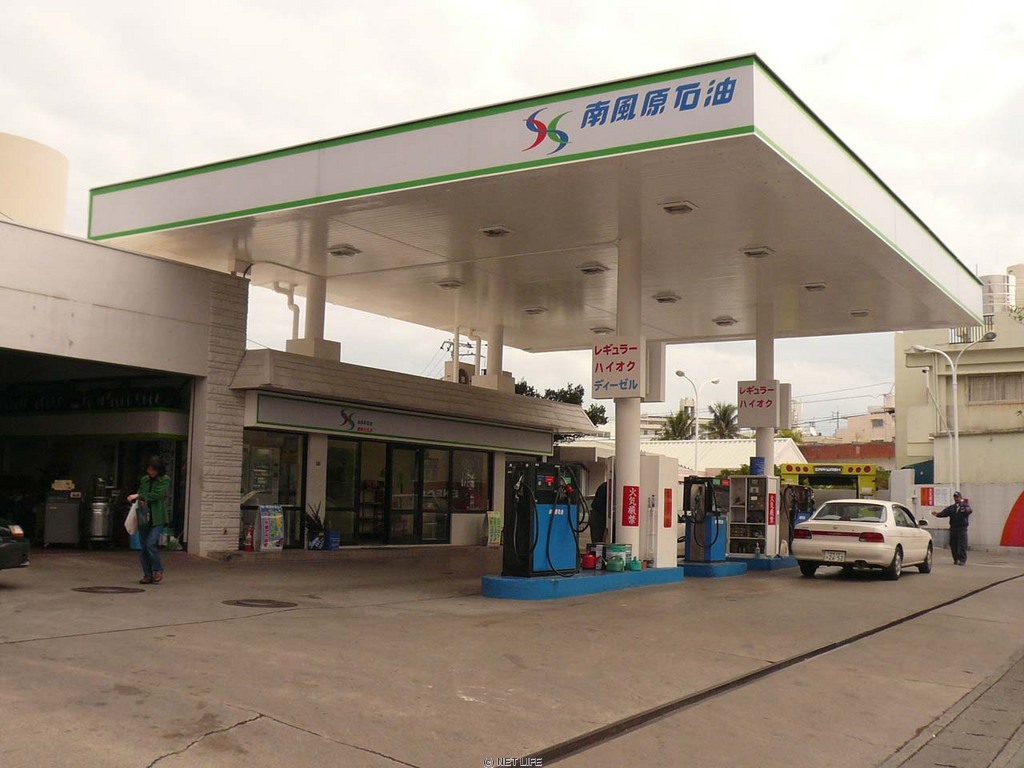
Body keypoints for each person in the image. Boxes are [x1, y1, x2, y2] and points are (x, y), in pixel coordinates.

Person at [127, 457, 171, 584]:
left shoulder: (165, 479)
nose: (150, 472)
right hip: (144, 515)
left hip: (158, 517)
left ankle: (158, 569)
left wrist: (139, 496)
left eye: (153, 470)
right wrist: (137, 497)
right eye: (149, 469)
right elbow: (141, 492)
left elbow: (157, 495)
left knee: (150, 543)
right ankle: (147, 574)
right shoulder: (144, 480)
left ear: (159, 470)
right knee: (144, 548)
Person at [933, 491, 972, 566]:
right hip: (953, 528)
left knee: (962, 545)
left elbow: (969, 511)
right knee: (953, 544)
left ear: (960, 497)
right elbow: (945, 513)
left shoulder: (964, 506)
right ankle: (956, 559)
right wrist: (937, 514)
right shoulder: (952, 508)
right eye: (955, 497)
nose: (956, 498)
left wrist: (966, 510)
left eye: (957, 497)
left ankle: (962, 560)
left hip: (962, 529)